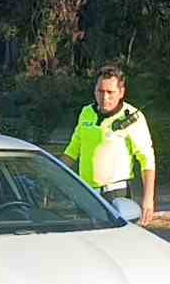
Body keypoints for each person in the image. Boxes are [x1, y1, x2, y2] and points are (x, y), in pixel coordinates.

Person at [62, 65, 157, 224]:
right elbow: (72, 151)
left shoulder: (134, 118)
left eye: (110, 92)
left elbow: (147, 160)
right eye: (100, 91)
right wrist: (49, 177)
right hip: (86, 194)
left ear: (121, 92)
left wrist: (148, 199)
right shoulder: (86, 112)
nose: (104, 97)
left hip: (115, 195)